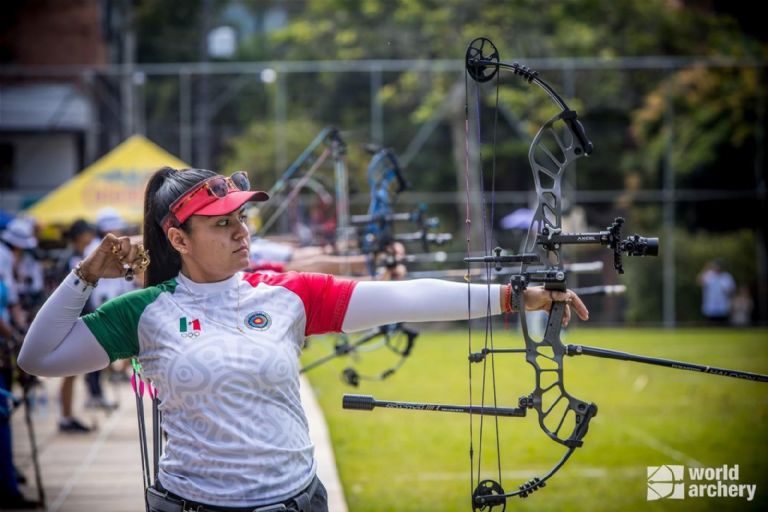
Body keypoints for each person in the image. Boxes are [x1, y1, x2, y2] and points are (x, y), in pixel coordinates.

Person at [17, 167, 588, 512]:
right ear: (178, 238)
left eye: (242, 219)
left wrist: (512, 295)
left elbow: (406, 297)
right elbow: (39, 356)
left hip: (297, 502)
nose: (242, 231)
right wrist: (85, 275)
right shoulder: (144, 311)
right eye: (222, 223)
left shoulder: (285, 294)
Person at [54, 219, 98, 433]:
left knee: (71, 373)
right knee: (69, 372)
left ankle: (67, 414)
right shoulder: (71, 259)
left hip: (76, 318)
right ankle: (65, 417)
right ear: (80, 236)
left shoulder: (76, 256)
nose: (90, 236)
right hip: (70, 320)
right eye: (87, 232)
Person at [697, 259, 736, 324]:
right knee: (711, 325)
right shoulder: (708, 275)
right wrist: (705, 269)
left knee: (723, 325)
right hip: (710, 306)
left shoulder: (727, 277)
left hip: (723, 306)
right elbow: (699, 281)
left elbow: (732, 290)